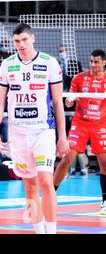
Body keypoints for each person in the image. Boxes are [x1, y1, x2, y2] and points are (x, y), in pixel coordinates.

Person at [0, 23, 69, 234]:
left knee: (45, 180)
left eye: (24, 40)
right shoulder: (7, 64)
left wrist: (62, 137)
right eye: (17, 41)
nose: (21, 44)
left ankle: (51, 232)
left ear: (32, 39)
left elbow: (57, 102)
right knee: (30, 187)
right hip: (17, 133)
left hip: (43, 130)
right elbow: (0, 102)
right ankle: (39, 231)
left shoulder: (49, 63)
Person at [53, 49, 106, 215]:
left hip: (101, 124)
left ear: (104, 62)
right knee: (67, 157)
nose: (93, 65)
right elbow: (68, 103)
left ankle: (105, 201)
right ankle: (51, 194)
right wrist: (70, 99)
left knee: (104, 162)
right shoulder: (79, 78)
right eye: (91, 61)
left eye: (97, 62)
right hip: (80, 124)